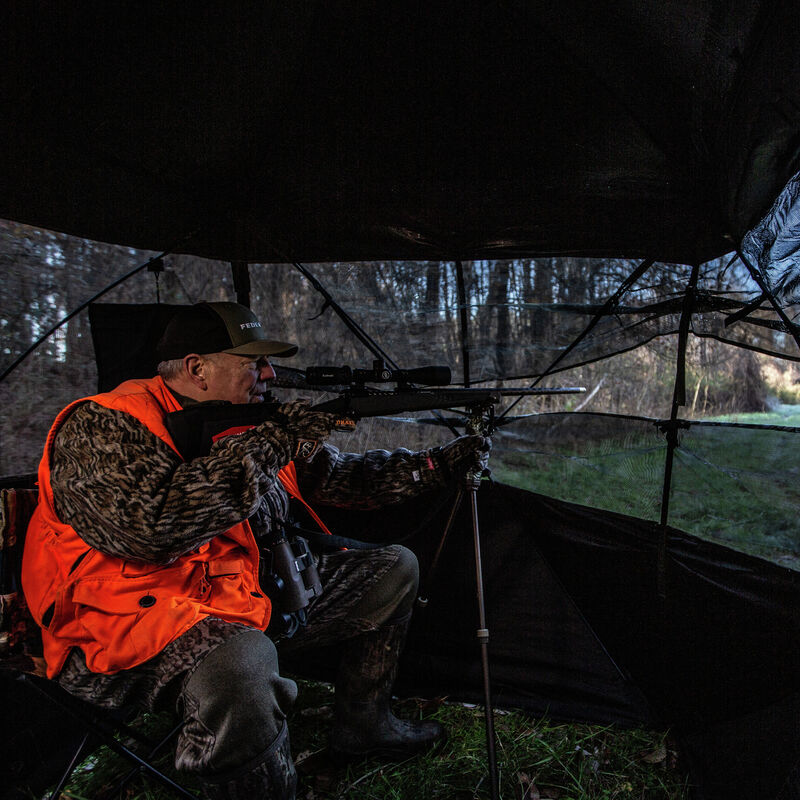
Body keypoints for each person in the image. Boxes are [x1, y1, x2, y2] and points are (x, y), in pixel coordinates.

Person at [21, 301, 490, 800]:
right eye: (253, 363)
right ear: (197, 368)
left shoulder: (244, 420)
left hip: (239, 595)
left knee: (394, 569)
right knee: (242, 662)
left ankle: (363, 726)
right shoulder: (103, 426)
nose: (269, 374)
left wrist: (436, 465)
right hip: (123, 623)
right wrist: (274, 440)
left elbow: (338, 478)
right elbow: (153, 530)